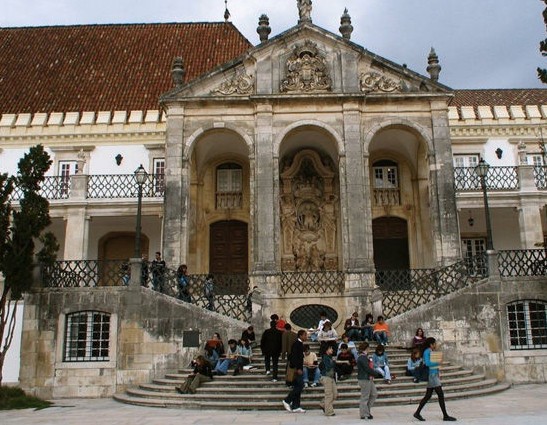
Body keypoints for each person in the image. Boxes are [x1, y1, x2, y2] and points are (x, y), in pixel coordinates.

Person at [413, 337, 457, 422]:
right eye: (434, 343)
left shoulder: (430, 351)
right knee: (440, 394)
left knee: (428, 395)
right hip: (431, 375)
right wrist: (438, 362)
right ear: (431, 344)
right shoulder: (427, 351)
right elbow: (427, 363)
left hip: (434, 375)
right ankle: (445, 416)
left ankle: (417, 413)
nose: (436, 345)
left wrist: (437, 372)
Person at [282, 329, 307, 413]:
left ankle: (296, 406)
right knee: (300, 385)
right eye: (305, 335)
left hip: (299, 368)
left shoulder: (300, 344)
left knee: (298, 386)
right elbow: (294, 357)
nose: (306, 337)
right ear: (300, 335)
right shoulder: (297, 344)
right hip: (296, 369)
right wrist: (298, 368)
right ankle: (287, 400)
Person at [357, 342, 382, 420]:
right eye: (368, 348)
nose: (369, 349)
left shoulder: (365, 357)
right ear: (365, 349)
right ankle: (364, 414)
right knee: (365, 397)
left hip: (369, 378)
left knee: (374, 394)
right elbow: (367, 368)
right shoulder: (362, 357)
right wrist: (376, 374)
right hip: (364, 379)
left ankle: (366, 410)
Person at [319, 345, 337, 417]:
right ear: (326, 350)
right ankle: (329, 412)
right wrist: (334, 362)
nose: (332, 349)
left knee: (335, 394)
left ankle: (323, 404)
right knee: (329, 395)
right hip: (326, 377)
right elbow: (328, 367)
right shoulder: (325, 358)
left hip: (331, 377)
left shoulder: (330, 357)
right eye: (330, 348)